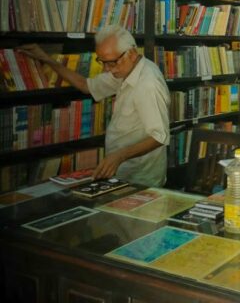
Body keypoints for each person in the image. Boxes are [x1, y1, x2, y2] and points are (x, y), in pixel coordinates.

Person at [16, 26, 170, 187]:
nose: (106, 69)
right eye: (102, 62)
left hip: (141, 177)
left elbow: (160, 136)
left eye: (110, 62)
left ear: (131, 54)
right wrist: (47, 59)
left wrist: (120, 156)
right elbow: (85, 85)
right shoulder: (123, 70)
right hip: (122, 172)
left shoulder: (148, 84)